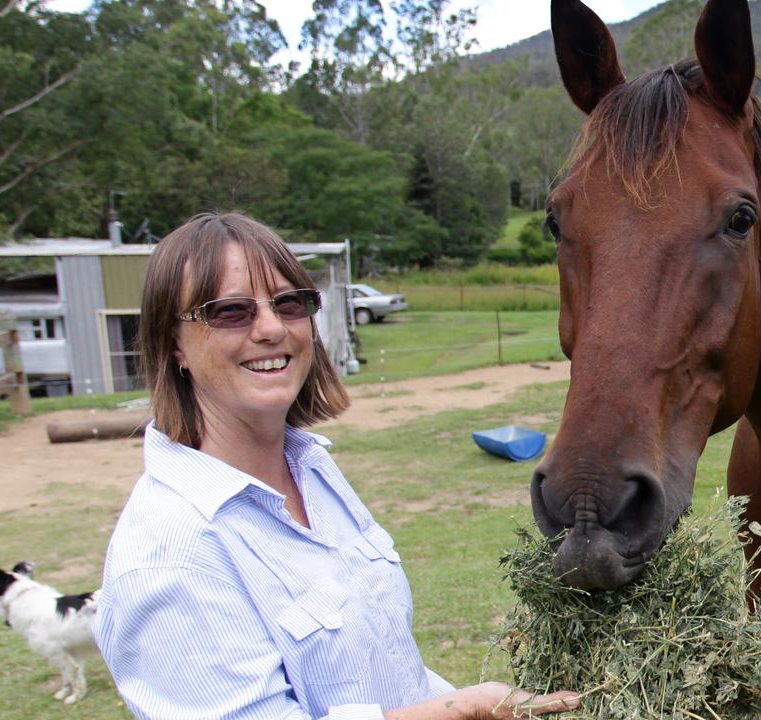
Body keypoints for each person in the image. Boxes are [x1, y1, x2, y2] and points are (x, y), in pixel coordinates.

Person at [93, 213, 577, 720]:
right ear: (173, 344)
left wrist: (464, 701)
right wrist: (461, 710)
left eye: (289, 303)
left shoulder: (313, 468)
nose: (271, 328)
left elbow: (391, 673)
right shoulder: (170, 554)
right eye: (230, 311)